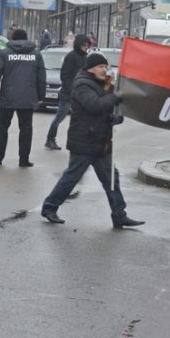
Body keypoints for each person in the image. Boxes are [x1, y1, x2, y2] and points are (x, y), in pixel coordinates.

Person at [40, 53, 145, 228]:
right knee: (71, 177)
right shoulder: (82, 84)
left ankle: (119, 215)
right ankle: (49, 208)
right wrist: (115, 96)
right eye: (100, 67)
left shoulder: (104, 84)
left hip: (102, 141)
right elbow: (94, 105)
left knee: (112, 178)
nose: (104, 69)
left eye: (105, 66)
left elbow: (108, 108)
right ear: (90, 69)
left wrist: (115, 117)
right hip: (84, 141)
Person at [0, 27, 45, 167]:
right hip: (27, 97)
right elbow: (41, 77)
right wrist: (40, 96)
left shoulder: (6, 53)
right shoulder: (36, 54)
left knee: (2, 126)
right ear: (26, 38)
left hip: (8, 98)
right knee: (26, 128)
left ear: (13, 39)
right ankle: (23, 160)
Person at [45, 33, 91, 150]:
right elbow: (64, 75)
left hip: (80, 94)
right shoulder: (71, 56)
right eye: (84, 45)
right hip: (68, 94)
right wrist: (72, 89)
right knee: (59, 117)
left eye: (87, 45)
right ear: (79, 45)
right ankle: (50, 139)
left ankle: (78, 141)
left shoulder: (85, 57)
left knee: (79, 120)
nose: (86, 47)